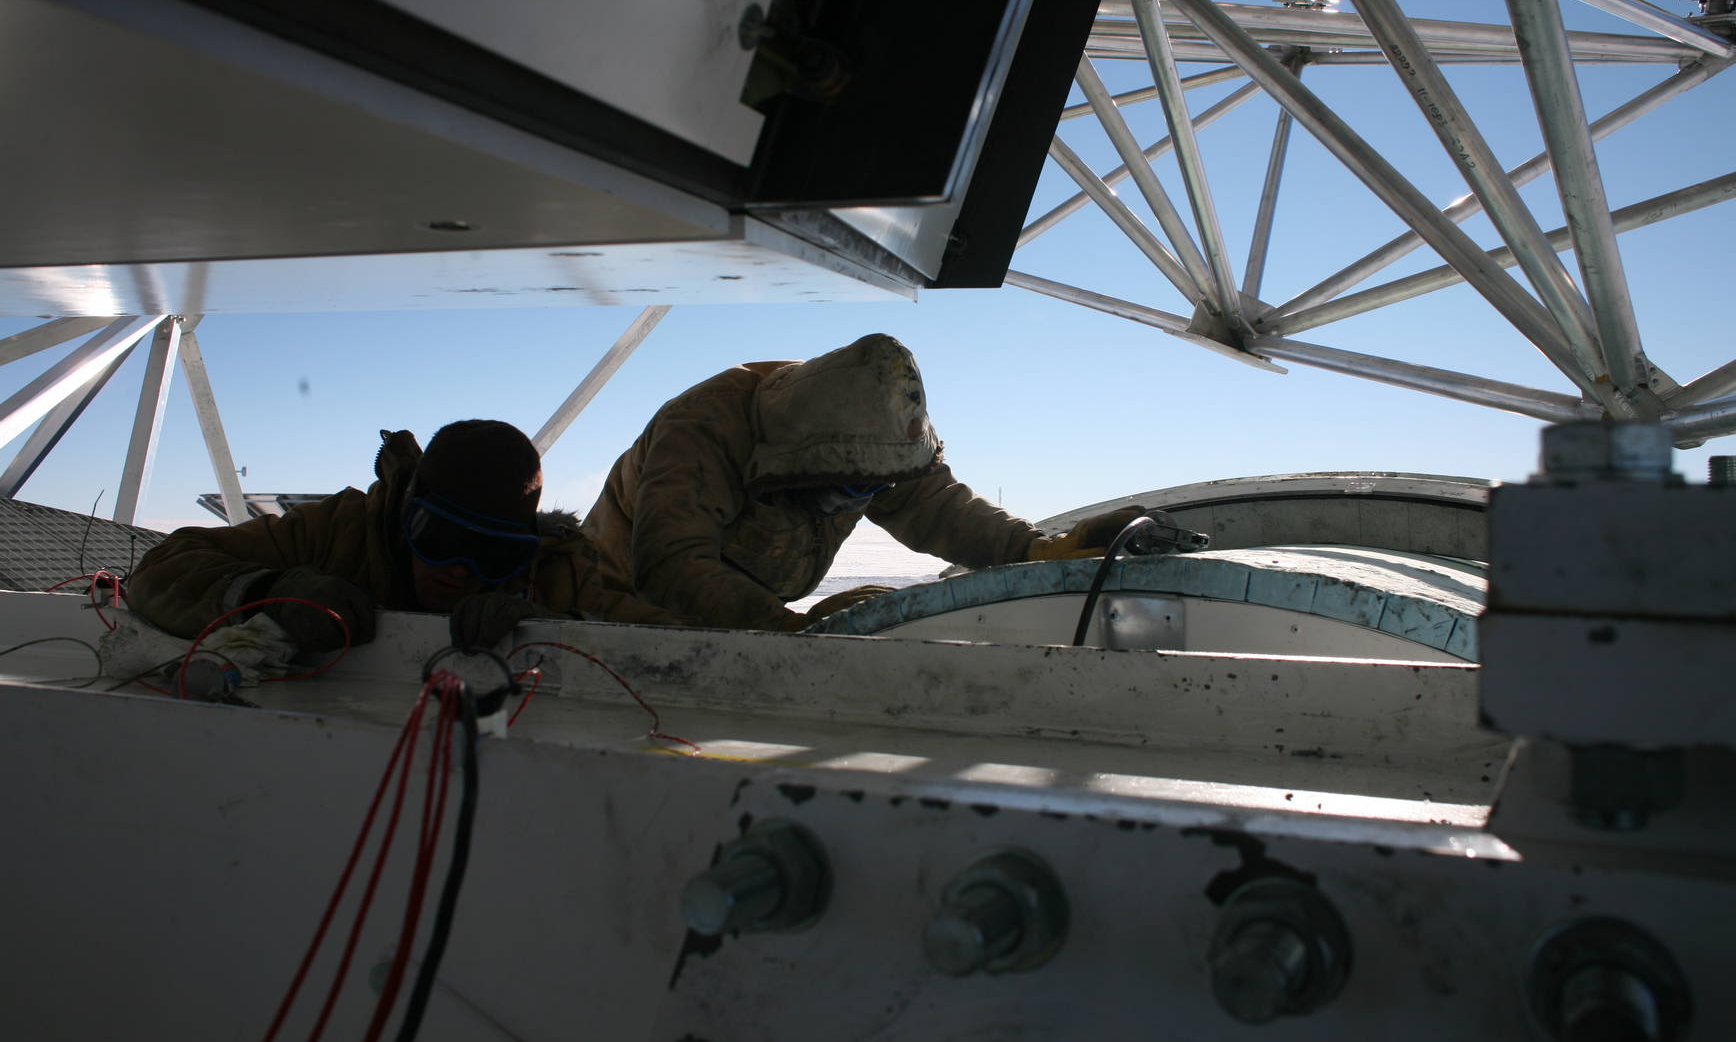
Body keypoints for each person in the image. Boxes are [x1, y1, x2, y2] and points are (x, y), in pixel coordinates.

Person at [581, 334, 1140, 631]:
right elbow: (673, 564)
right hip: (616, 615)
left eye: (874, 489)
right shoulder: (704, 429)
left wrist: (1036, 547)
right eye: (853, 489)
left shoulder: (869, 426)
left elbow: (936, 504)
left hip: (736, 616)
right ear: (799, 461)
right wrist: (789, 628)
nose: (865, 500)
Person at [128, 420, 683, 661]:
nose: (461, 571)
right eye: (438, 539)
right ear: (406, 517)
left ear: (523, 547)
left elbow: (669, 643)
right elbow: (160, 568)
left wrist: (549, 632)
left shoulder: (558, 572)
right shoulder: (339, 531)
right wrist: (270, 591)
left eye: (492, 555)